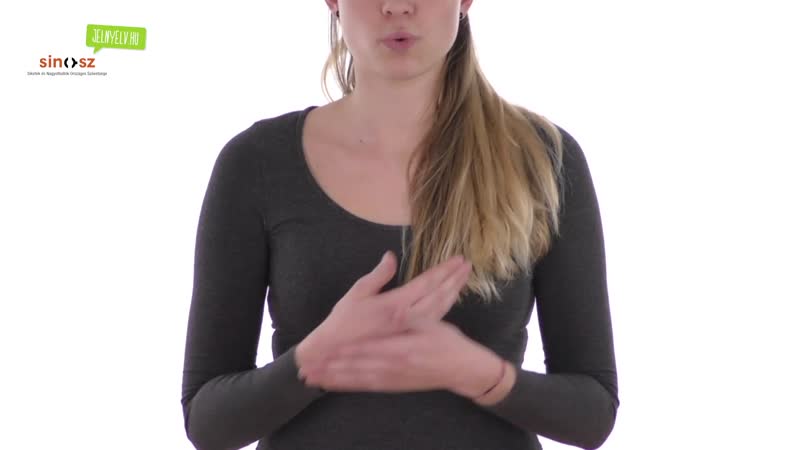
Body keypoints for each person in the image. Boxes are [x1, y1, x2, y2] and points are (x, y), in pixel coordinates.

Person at [180, 1, 619, 449]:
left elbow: (592, 414)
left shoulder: (543, 158)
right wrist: (316, 359)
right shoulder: (257, 163)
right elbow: (208, 422)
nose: (397, 6)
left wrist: (477, 374)